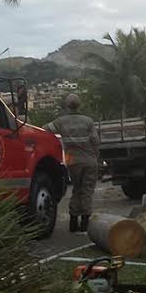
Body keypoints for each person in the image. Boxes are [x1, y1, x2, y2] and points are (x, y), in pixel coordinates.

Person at [44, 93, 99, 233]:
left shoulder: (60, 121)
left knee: (76, 189)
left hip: (73, 161)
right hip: (89, 160)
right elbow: (95, 142)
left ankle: (73, 222)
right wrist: (96, 157)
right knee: (87, 191)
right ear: (80, 105)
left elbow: (44, 129)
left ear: (67, 106)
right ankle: (85, 223)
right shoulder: (88, 121)